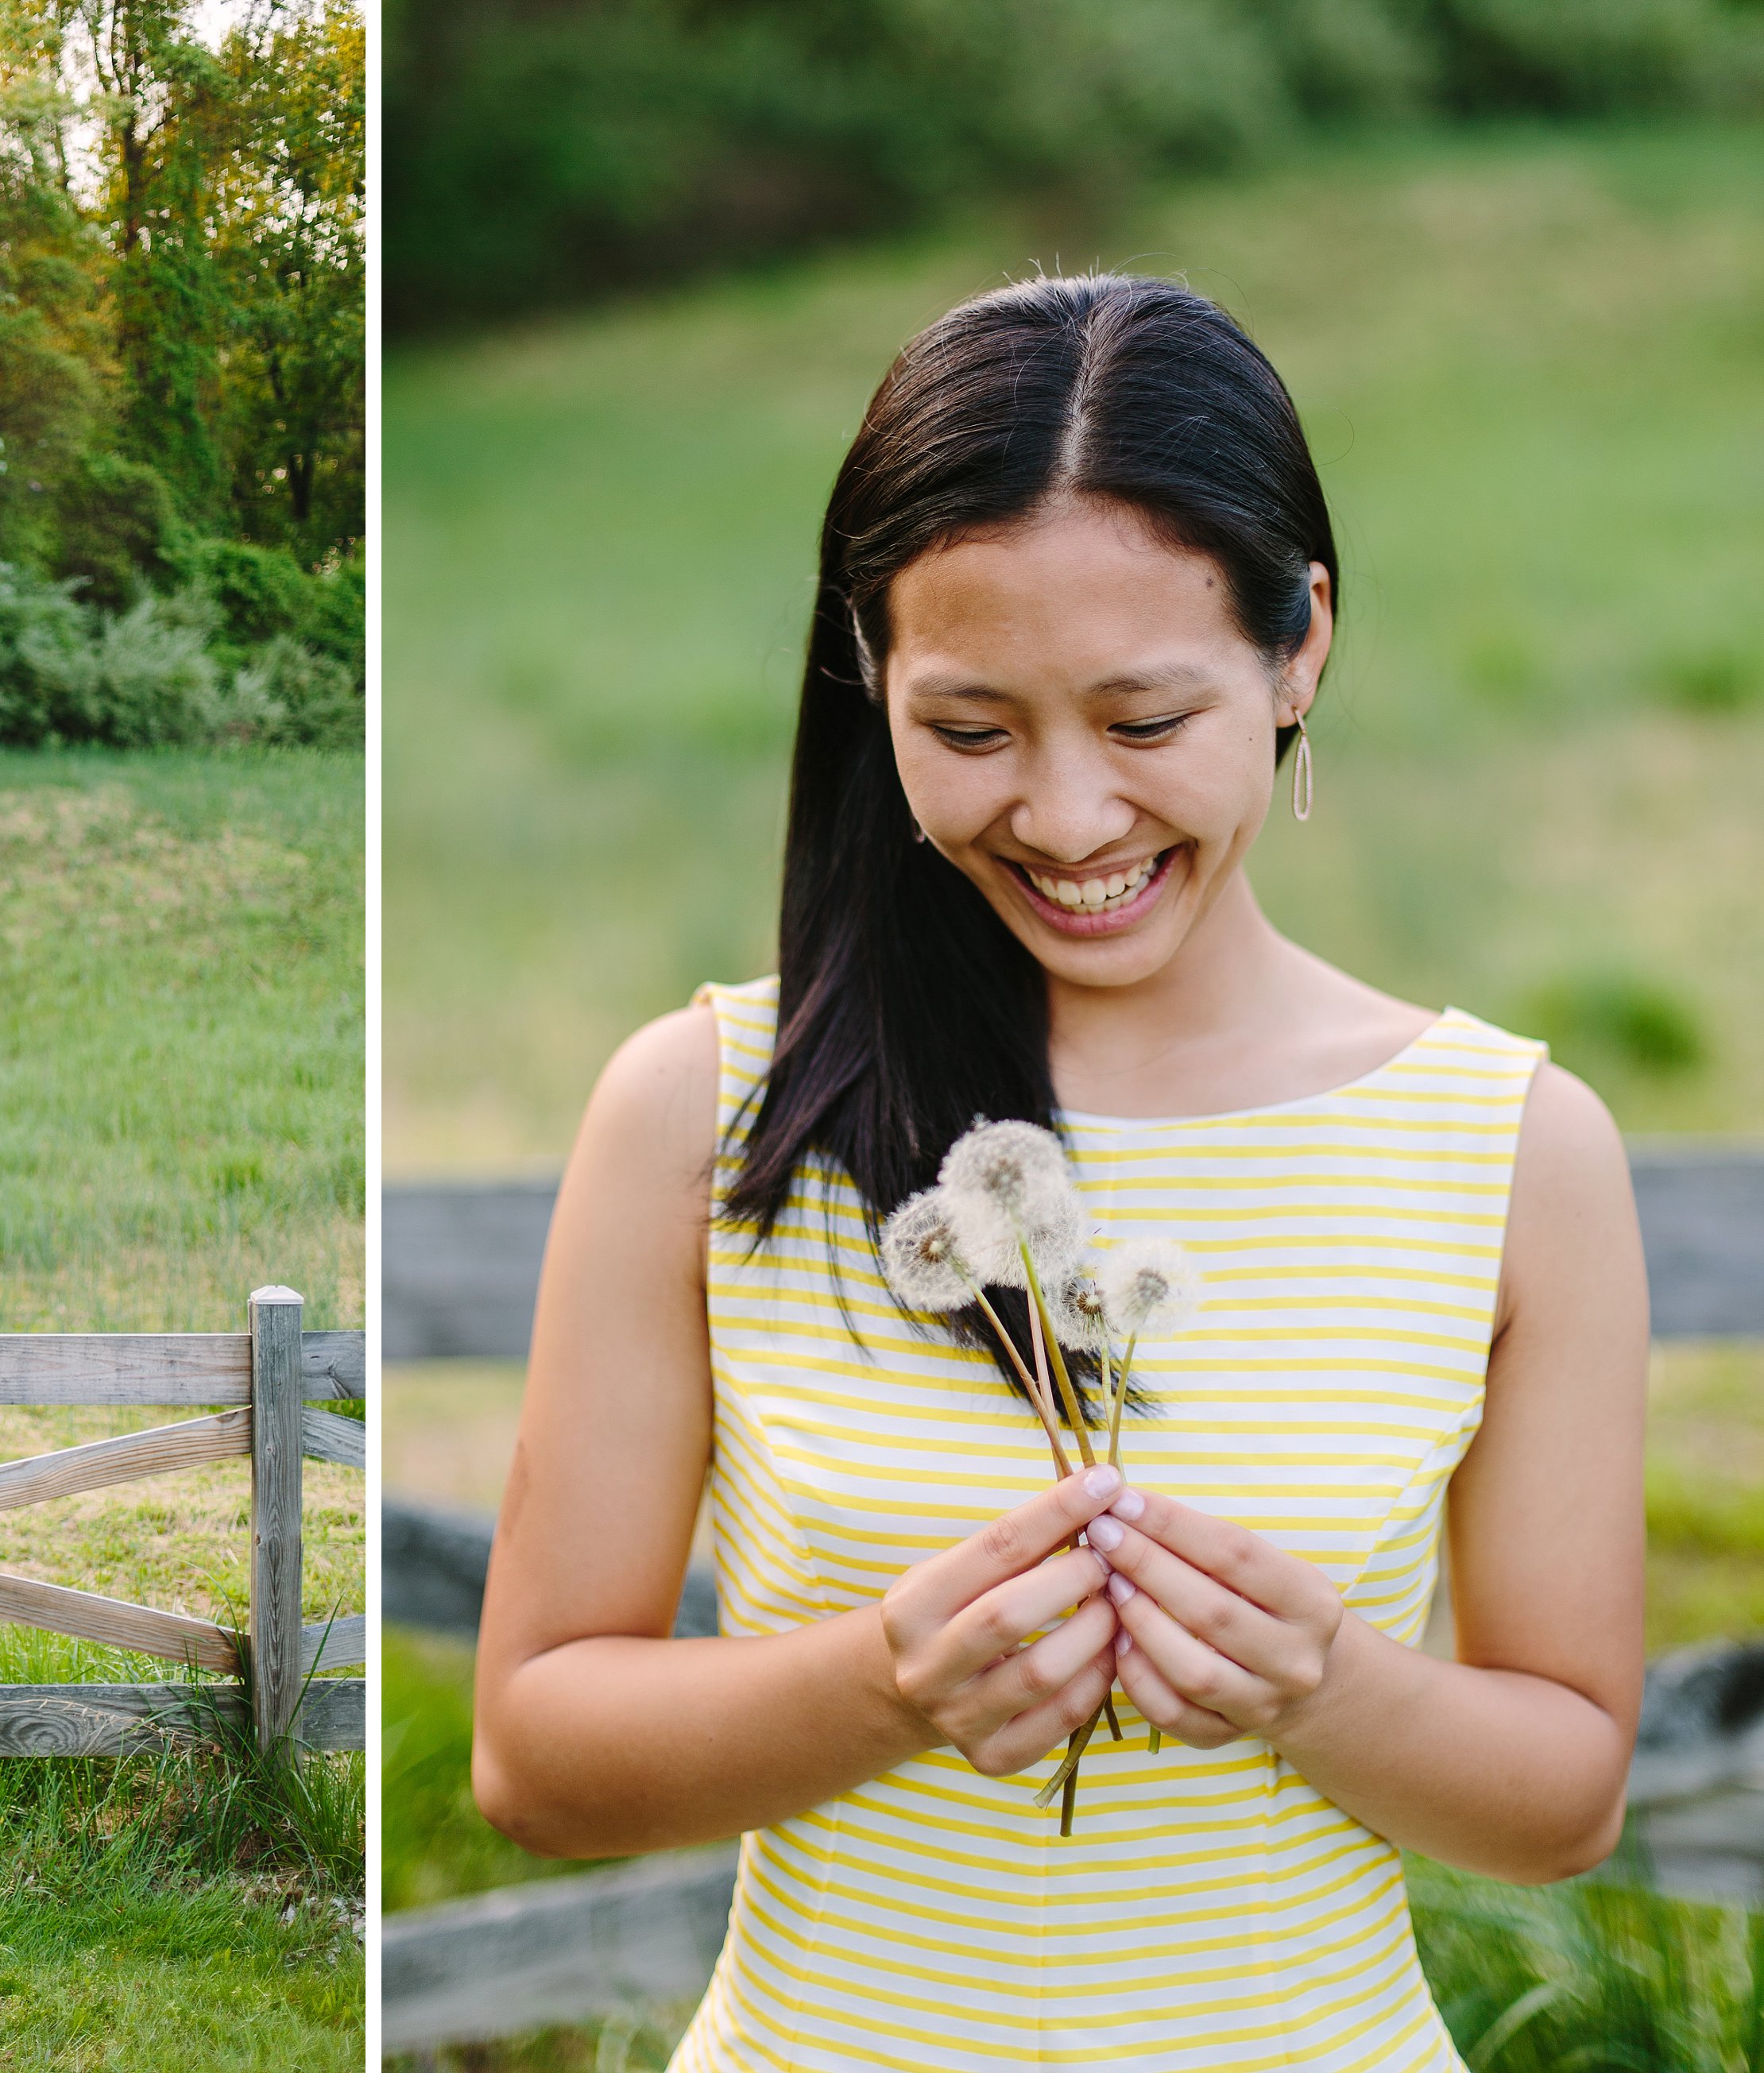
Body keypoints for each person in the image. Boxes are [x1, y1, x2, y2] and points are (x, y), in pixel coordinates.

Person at [468, 275, 1646, 2068]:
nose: (1071, 816)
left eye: (1146, 719)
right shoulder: (702, 1106)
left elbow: (1560, 1795)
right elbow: (536, 1757)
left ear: (1299, 644)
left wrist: (1322, 1685)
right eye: (970, 729)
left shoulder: (1515, 1149)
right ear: (869, 673)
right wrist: (884, 1686)